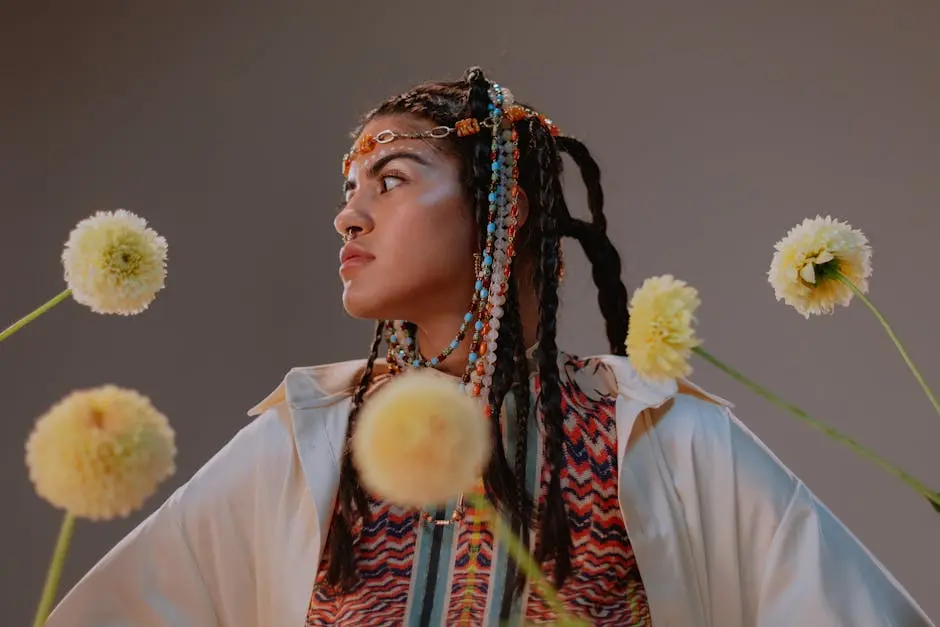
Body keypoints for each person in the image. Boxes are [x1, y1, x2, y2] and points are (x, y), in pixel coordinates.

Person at [46, 66, 933, 627]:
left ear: (503, 212)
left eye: (391, 179)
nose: (348, 212)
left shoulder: (661, 440)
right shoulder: (303, 444)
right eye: (352, 186)